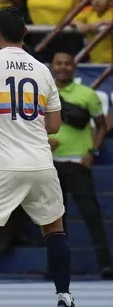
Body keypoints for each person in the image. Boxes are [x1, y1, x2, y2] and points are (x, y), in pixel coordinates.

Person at [0, 7, 69, 307]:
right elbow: (54, 125)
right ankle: (64, 294)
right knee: (54, 228)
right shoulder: (42, 69)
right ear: (24, 33)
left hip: (2, 165)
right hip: (40, 162)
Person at [49, 52, 113, 279]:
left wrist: (93, 151)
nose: (63, 67)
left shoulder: (88, 94)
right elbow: (33, 125)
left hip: (78, 163)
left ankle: (106, 265)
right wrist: (45, 141)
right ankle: (56, 268)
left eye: (68, 63)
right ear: (52, 67)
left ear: (74, 67)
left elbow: (102, 125)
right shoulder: (42, 95)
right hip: (50, 166)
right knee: (54, 221)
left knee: (92, 216)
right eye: (59, 63)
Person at [70, 0, 113, 64]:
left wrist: (101, 23)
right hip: (94, 60)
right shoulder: (89, 10)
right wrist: (79, 24)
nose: (97, 0)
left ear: (111, 0)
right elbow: (71, 20)